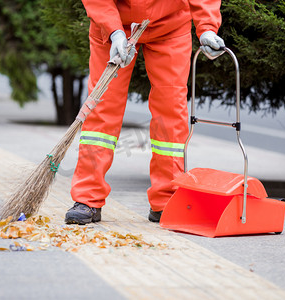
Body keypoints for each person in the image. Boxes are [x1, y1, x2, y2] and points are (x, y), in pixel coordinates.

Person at [65, 0, 225, 225]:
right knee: (102, 108)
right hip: (115, 24)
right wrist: (114, 32)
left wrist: (207, 26)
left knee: (171, 112)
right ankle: (87, 198)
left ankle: (166, 200)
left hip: (170, 25)